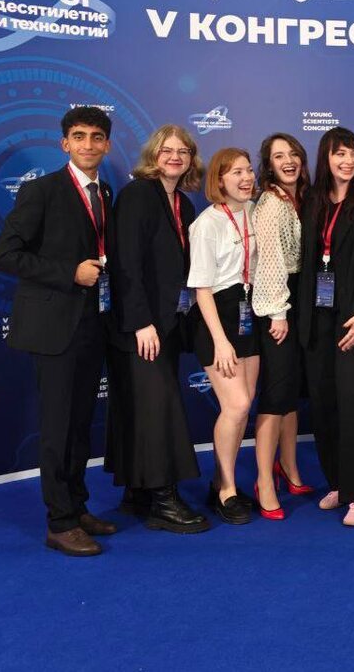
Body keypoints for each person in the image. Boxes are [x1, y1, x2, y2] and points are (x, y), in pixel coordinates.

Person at [0, 106, 119, 556]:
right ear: (65, 143)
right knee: (58, 427)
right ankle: (60, 523)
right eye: (79, 136)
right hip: (54, 328)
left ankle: (77, 507)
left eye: (97, 137)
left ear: (107, 145)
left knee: (80, 425)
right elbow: (7, 254)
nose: (88, 144)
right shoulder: (41, 190)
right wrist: (70, 272)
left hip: (92, 325)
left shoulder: (105, 191)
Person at [106, 125, 210, 534]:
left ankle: (138, 493)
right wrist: (141, 323)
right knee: (158, 409)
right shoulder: (138, 195)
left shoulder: (183, 203)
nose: (175, 156)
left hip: (167, 326)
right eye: (167, 150)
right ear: (154, 154)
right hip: (140, 328)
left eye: (183, 151)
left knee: (144, 408)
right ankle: (164, 501)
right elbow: (125, 264)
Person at [296, 127, 354, 527]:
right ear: (326, 157)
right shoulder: (313, 199)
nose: (348, 161)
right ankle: (339, 482)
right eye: (340, 154)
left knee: (353, 402)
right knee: (323, 402)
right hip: (317, 316)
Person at [187, 147, 260, 525]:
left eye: (248, 171)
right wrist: (220, 341)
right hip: (218, 319)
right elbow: (201, 290)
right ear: (219, 180)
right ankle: (227, 490)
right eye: (236, 173)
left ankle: (220, 480)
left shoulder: (253, 211)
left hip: (249, 314)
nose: (246, 178)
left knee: (243, 408)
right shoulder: (207, 224)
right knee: (236, 404)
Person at [251, 133, 313, 522]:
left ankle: (289, 468)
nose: (287, 161)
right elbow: (271, 261)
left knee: (290, 393)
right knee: (276, 395)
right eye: (278, 156)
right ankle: (264, 481)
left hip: (298, 301)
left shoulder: (300, 198)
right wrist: (278, 312)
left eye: (293, 154)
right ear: (268, 165)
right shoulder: (271, 203)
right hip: (278, 304)